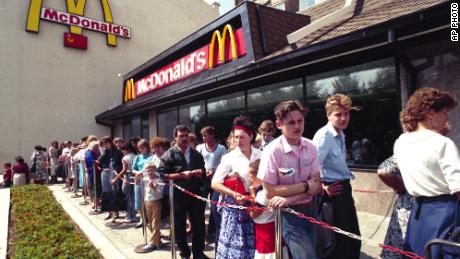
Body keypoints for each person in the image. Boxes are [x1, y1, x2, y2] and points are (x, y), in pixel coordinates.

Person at [394, 87, 460, 258]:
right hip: (446, 211)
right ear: (431, 114)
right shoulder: (442, 143)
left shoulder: (401, 142)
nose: (447, 117)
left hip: (418, 213)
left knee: (419, 253)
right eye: (445, 112)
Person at [258, 100, 321, 259]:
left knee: (310, 251)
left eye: (300, 121)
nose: (297, 126)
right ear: (278, 124)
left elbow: (316, 185)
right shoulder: (272, 151)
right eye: (291, 122)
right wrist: (306, 186)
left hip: (311, 209)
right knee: (307, 256)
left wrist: (290, 197)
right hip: (289, 214)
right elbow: (270, 191)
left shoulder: (311, 146)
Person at [312, 94, 361, 259]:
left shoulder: (340, 134)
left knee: (352, 238)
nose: (343, 118)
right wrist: (322, 187)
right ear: (328, 115)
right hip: (333, 193)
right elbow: (311, 167)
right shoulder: (324, 136)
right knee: (339, 242)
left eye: (346, 114)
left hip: (343, 189)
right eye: (338, 114)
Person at [211, 115, 261, 259]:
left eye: (242, 137)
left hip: (256, 204)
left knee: (255, 246)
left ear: (251, 136)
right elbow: (215, 183)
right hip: (236, 207)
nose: (239, 141)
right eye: (236, 137)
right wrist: (233, 193)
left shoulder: (261, 155)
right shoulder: (229, 157)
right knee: (235, 248)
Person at [158, 125, 208, 259]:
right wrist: (181, 175)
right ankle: (185, 253)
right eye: (181, 136)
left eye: (186, 135)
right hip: (177, 196)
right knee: (179, 227)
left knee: (199, 225)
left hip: (195, 194)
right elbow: (162, 175)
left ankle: (198, 253)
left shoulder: (196, 154)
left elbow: (203, 171)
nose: (184, 138)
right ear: (175, 137)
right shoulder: (168, 154)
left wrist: (200, 173)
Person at [248, 159, 289, 259]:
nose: (249, 179)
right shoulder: (271, 188)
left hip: (266, 233)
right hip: (271, 228)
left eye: (251, 176)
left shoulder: (263, 195)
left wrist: (252, 194)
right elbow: (289, 171)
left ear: (260, 175)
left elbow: (253, 214)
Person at [378, 155, 415, 259]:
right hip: (412, 206)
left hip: (406, 205)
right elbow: (383, 171)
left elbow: (383, 170)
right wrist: (401, 187)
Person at [196, 126, 227, 244]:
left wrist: (214, 171)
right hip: (203, 180)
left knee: (214, 207)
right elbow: (197, 162)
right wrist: (203, 171)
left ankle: (211, 231)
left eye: (206, 135)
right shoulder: (199, 148)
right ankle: (201, 231)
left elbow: (224, 163)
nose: (204, 138)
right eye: (203, 136)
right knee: (200, 207)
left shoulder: (221, 148)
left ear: (212, 135)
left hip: (216, 180)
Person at [138, 162, 164, 252]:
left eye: (152, 170)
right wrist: (138, 174)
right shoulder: (145, 178)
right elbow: (136, 181)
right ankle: (158, 241)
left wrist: (154, 187)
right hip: (147, 202)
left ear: (155, 171)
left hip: (156, 202)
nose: (150, 172)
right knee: (149, 223)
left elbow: (160, 194)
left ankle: (152, 243)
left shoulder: (158, 180)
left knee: (155, 223)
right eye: (148, 170)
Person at [99, 136, 124, 221]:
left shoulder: (117, 152)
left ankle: (115, 212)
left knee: (114, 192)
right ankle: (109, 212)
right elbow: (101, 161)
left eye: (106, 143)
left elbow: (119, 164)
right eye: (104, 144)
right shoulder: (106, 152)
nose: (105, 145)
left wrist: (114, 170)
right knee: (106, 192)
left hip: (114, 173)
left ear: (110, 142)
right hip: (106, 172)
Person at [112, 143, 137, 223]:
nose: (122, 151)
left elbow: (124, 170)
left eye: (123, 150)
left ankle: (129, 216)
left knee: (127, 196)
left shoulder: (125, 158)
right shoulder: (136, 156)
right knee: (133, 197)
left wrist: (116, 178)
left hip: (127, 177)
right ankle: (133, 215)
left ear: (127, 150)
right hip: (135, 177)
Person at [132, 139, 153, 228]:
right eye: (139, 148)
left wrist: (144, 173)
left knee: (148, 200)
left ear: (147, 147)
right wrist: (137, 173)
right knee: (139, 200)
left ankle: (149, 219)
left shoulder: (152, 156)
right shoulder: (137, 157)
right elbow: (133, 169)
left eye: (142, 148)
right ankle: (142, 219)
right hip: (138, 180)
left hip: (148, 180)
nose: (141, 150)